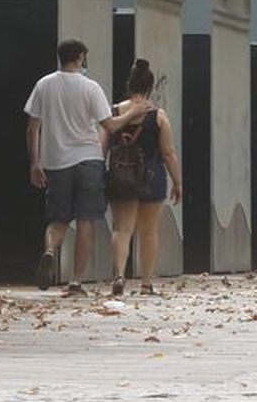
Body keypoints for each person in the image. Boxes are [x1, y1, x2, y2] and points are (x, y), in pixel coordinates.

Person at [25, 39, 147, 296]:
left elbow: (32, 128)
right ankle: (76, 282)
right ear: (80, 57)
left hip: (56, 162)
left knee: (58, 219)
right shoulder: (91, 88)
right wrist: (131, 112)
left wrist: (35, 163)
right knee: (86, 221)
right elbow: (111, 126)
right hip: (88, 160)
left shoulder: (43, 85)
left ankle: (49, 251)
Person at [106, 59, 184, 297]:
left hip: (120, 177)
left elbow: (103, 144)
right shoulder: (158, 116)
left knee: (122, 229)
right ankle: (146, 284)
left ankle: (119, 274)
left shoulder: (114, 112)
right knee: (148, 232)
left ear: (129, 84)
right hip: (151, 176)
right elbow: (168, 152)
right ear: (151, 86)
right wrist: (178, 182)